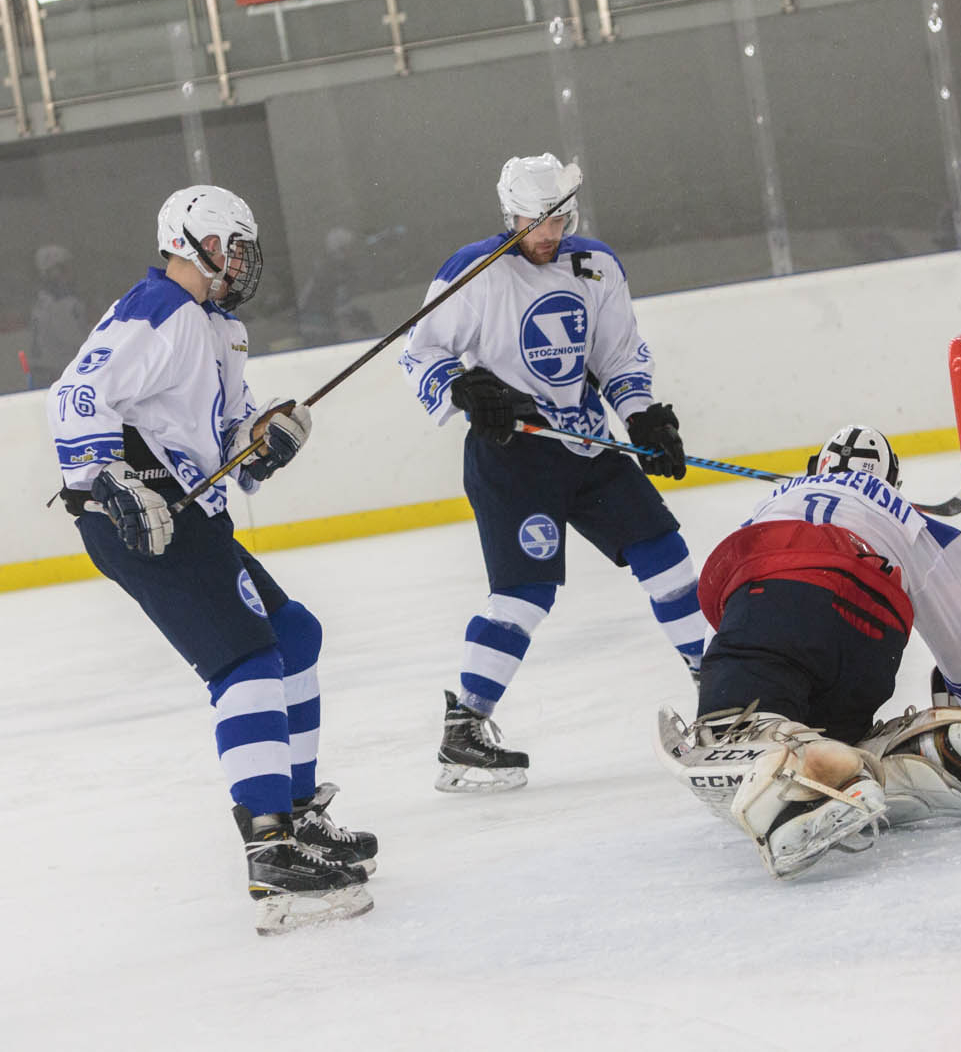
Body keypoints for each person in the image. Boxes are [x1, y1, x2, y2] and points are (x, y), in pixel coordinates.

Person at [45, 185, 377, 935]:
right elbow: (74, 397)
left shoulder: (219, 330)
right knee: (247, 661)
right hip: (139, 518)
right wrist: (109, 479)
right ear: (190, 242)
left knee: (293, 637)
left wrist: (265, 440)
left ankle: (295, 815)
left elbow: (228, 449)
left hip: (189, 513)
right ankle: (271, 850)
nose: (241, 261)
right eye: (231, 246)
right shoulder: (158, 306)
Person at [400, 153, 706, 793]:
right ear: (508, 213)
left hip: (587, 443)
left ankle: (721, 684)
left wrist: (644, 418)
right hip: (512, 458)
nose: (546, 234)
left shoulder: (595, 264)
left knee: (667, 556)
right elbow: (421, 352)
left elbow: (619, 354)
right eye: (532, 221)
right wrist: (465, 389)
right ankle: (465, 731)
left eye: (557, 219)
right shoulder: (475, 272)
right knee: (523, 597)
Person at [657, 425, 961, 879]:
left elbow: (730, 613)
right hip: (868, 642)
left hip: (776, 600)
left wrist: (722, 691)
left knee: (730, 734)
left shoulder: (770, 506)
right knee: (831, 737)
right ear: (893, 481)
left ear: (815, 467)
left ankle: (799, 796)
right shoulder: (908, 516)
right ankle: (910, 756)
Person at [29, 244, 90, 388]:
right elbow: (75, 341)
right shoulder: (59, 305)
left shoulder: (43, 302)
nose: (70, 274)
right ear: (52, 273)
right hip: (59, 375)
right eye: (64, 269)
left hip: (53, 373)